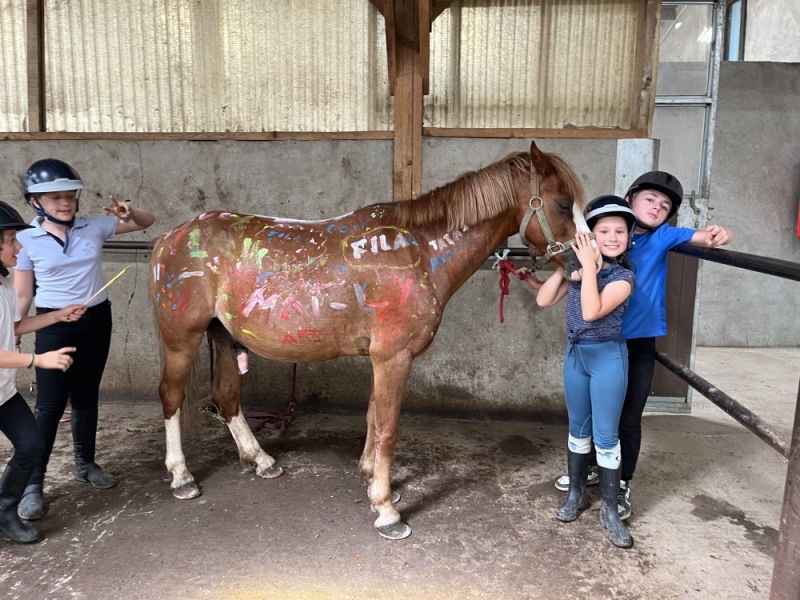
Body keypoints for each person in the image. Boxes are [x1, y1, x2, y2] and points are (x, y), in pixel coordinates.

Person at [553, 172, 734, 521]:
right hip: (598, 339)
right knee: (591, 414)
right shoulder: (605, 237)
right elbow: (570, 275)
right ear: (631, 201)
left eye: (665, 205)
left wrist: (723, 233)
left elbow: (707, 237)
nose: (657, 207)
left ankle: (621, 483)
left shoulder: (664, 236)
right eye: (650, 199)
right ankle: (590, 469)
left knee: (628, 417)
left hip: (636, 342)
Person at [14, 158, 156, 521]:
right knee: (48, 406)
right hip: (54, 324)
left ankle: (86, 464)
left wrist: (130, 210)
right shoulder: (25, 240)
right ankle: (33, 484)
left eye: (70, 196)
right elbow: (22, 295)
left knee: (86, 395)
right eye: (55, 197)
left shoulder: (94, 226)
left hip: (96, 320)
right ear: (35, 202)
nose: (65, 203)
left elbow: (145, 222)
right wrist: (14, 331)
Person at [526, 195, 637, 548]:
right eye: (604, 230)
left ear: (628, 238)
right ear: (589, 236)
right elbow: (544, 300)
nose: (613, 236)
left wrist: (588, 268)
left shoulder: (623, 277)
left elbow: (591, 311)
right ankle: (576, 495)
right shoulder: (577, 269)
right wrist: (564, 266)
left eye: (620, 231)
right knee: (578, 430)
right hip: (576, 358)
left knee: (606, 436)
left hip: (608, 360)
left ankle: (609, 508)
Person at [0, 201, 84, 543]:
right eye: (10, 239)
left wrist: (58, 315)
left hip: (3, 393)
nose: (19, 246)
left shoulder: (4, 284)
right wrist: (38, 360)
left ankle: (5, 510)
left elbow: (14, 326)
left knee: (31, 445)